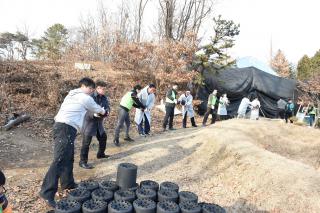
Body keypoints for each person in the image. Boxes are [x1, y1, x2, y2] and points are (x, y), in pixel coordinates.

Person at [39, 77, 106, 208]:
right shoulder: (84, 97)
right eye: (92, 89)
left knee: (68, 157)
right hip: (65, 127)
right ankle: (46, 193)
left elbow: (87, 111)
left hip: (66, 128)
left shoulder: (72, 95)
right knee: (59, 160)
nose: (92, 92)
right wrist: (104, 112)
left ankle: (68, 183)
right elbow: (97, 109)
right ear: (86, 87)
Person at [79, 80, 111, 169]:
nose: (104, 91)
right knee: (86, 143)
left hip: (99, 122)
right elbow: (85, 109)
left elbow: (107, 106)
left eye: (105, 89)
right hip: (89, 123)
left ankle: (100, 154)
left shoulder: (104, 97)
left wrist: (107, 111)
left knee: (103, 137)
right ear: (97, 88)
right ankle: (82, 162)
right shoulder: (90, 97)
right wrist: (93, 114)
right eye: (103, 89)